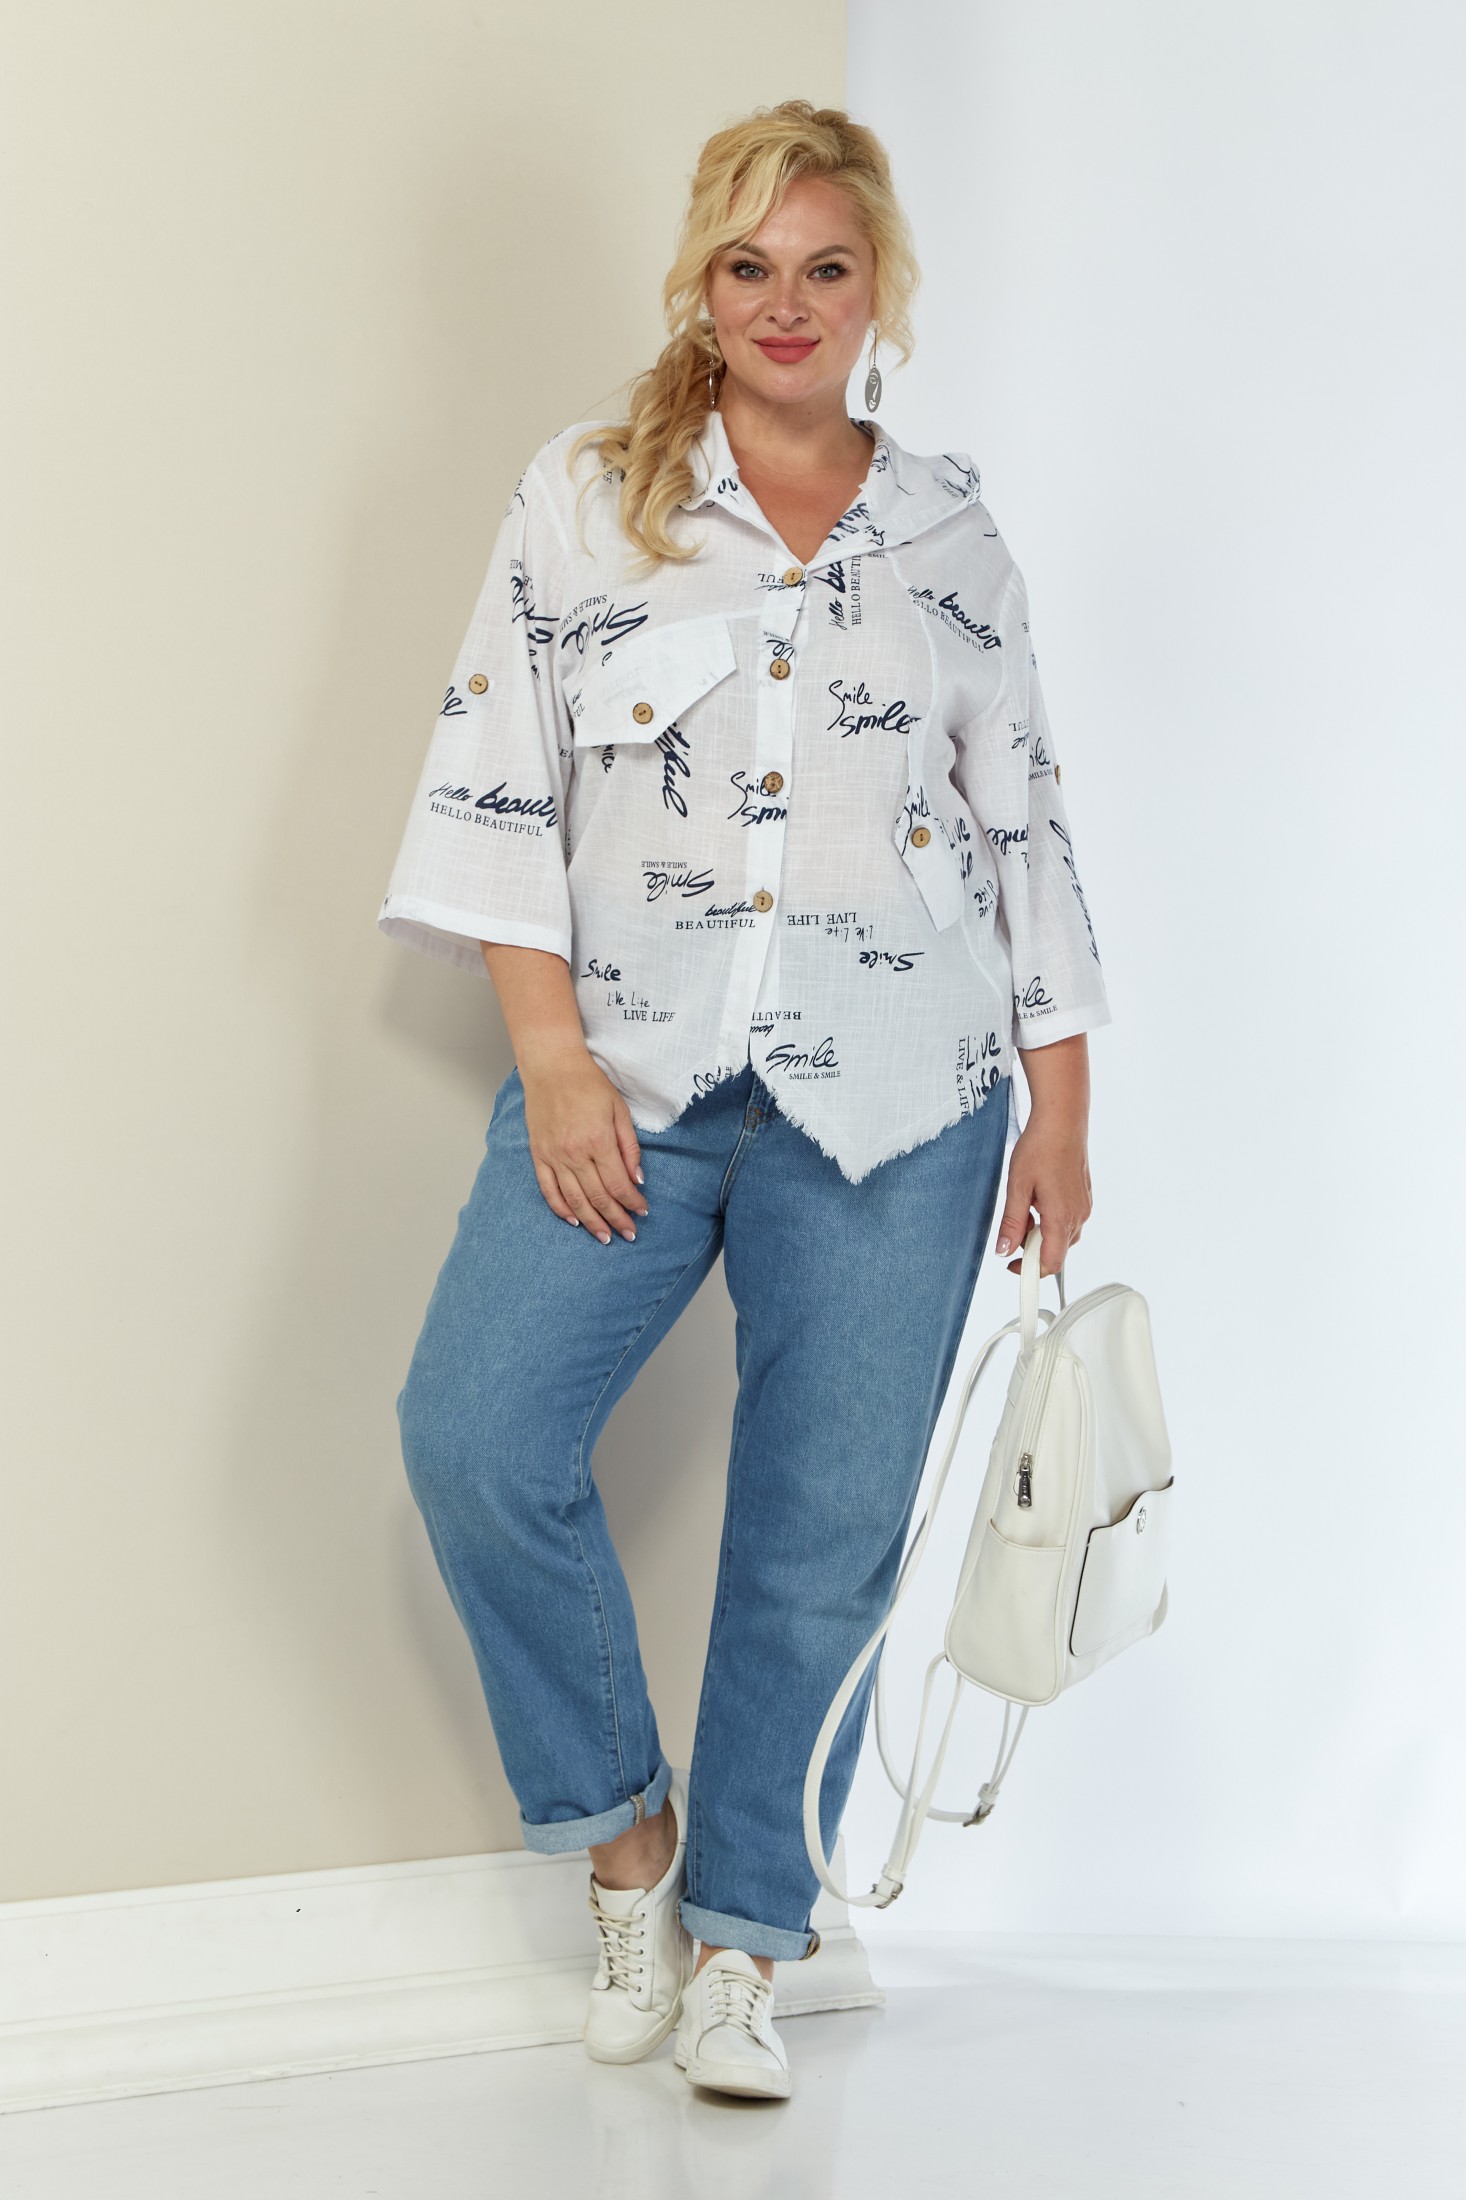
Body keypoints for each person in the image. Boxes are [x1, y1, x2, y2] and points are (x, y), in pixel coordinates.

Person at [378, 99, 1110, 2102]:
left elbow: (1022, 827)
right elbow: (495, 786)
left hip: (906, 1100)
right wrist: (549, 1061)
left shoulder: (949, 536)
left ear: (879, 290)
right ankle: (629, 1848)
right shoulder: (584, 499)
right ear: (698, 286)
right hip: (633, 1077)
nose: (786, 304)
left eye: (825, 268)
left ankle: (746, 1946)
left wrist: (1057, 1107)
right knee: (475, 1431)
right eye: (747, 266)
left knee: (821, 1534)